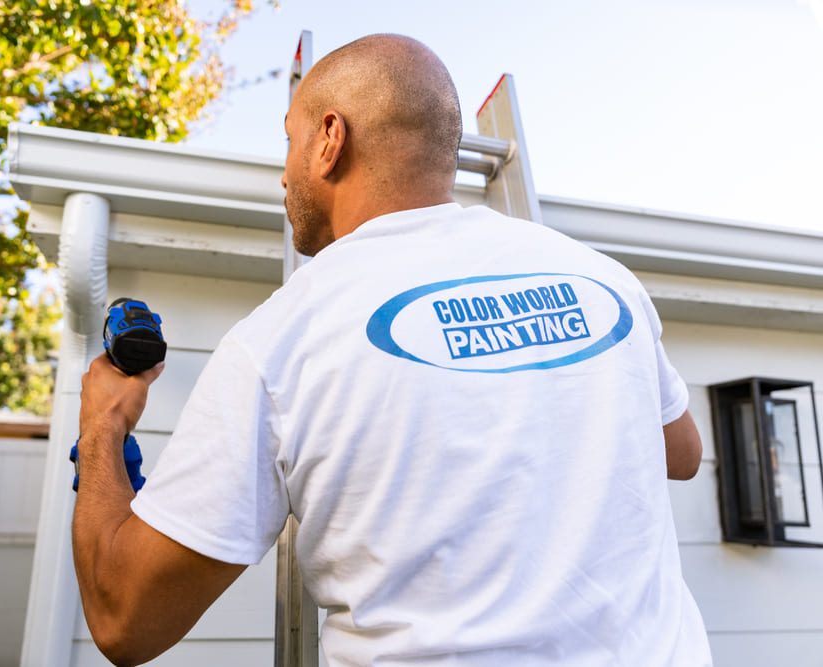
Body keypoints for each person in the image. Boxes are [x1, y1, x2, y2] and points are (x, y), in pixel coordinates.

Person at [73, 33, 712, 666]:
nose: (285, 170)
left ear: (329, 139)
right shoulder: (602, 281)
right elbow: (681, 453)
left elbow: (124, 620)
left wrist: (104, 422)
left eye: (290, 140)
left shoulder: (279, 340)